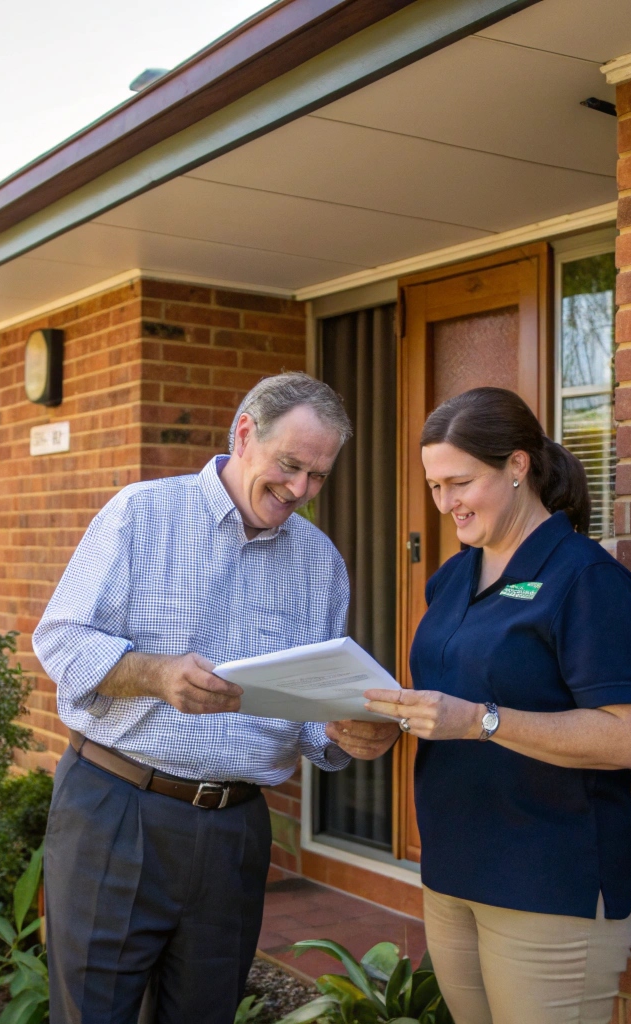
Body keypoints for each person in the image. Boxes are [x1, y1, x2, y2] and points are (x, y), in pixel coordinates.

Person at [33, 372, 402, 1024]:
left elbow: (309, 711)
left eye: (318, 476)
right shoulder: (141, 514)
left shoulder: (321, 562)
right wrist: (152, 674)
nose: (300, 490)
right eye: (290, 466)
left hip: (234, 831)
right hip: (117, 812)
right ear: (243, 434)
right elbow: (60, 642)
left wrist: (349, 731)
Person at [364, 386, 631, 1024]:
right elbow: (443, 697)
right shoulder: (455, 576)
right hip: (454, 869)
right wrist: (380, 722)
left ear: (517, 466)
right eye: (435, 486)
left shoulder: (587, 580)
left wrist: (481, 720)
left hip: (551, 881)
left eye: (461, 482)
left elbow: (629, 738)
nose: (445, 504)